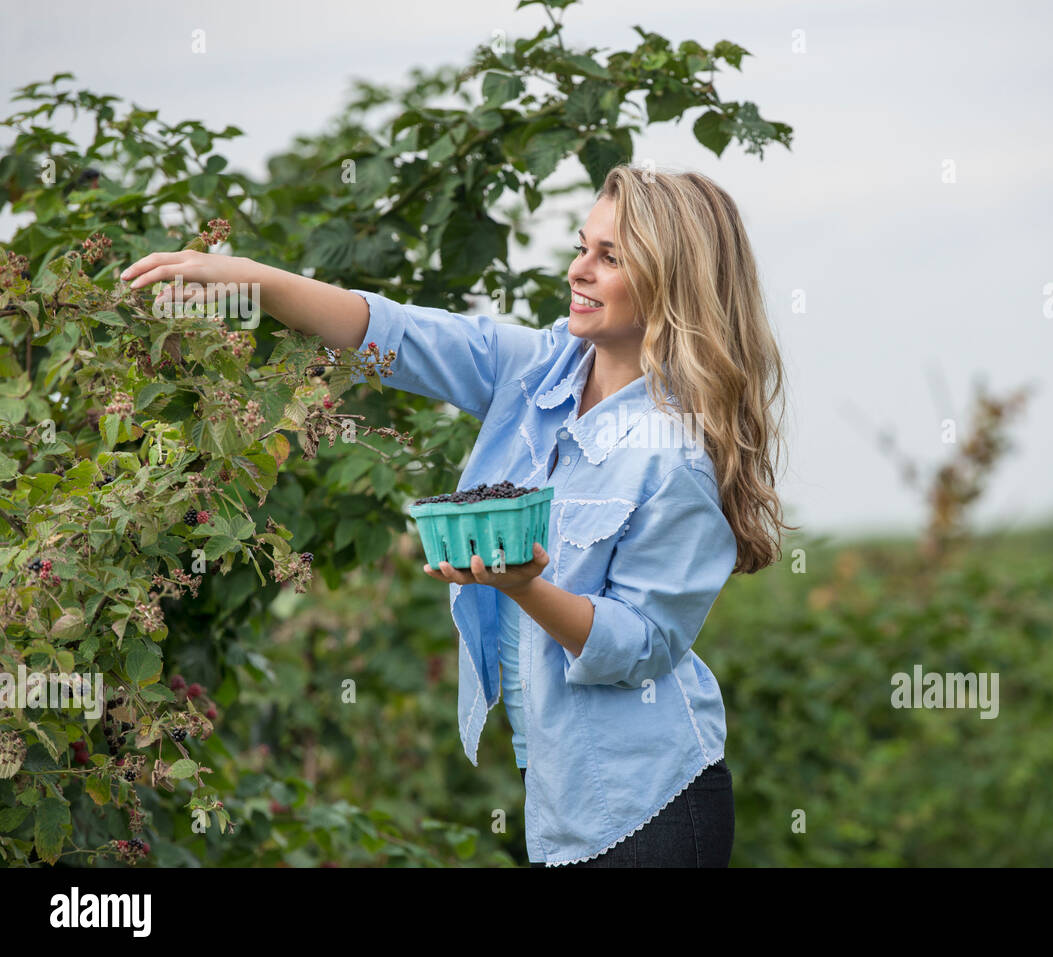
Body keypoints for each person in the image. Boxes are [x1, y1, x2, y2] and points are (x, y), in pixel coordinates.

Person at [120, 164, 793, 867]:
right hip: (565, 793)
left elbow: (645, 644)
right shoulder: (537, 370)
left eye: (610, 257)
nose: (577, 270)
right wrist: (251, 280)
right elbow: (394, 335)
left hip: (651, 805)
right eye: (581, 245)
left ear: (670, 282)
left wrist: (521, 585)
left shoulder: (675, 455)